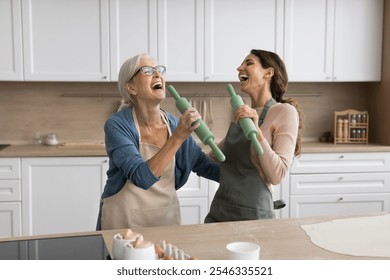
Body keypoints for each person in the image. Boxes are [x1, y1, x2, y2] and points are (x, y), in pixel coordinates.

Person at [96, 53, 219, 230]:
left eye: (159, 70)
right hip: (122, 223)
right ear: (131, 87)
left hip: (165, 220)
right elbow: (142, 178)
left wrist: (251, 174)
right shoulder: (117, 125)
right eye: (147, 70)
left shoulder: (175, 125)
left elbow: (205, 166)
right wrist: (177, 137)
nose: (157, 74)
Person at [204, 49, 302, 223]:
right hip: (220, 212)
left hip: (254, 217)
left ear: (268, 72)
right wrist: (183, 136)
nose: (239, 67)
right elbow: (210, 161)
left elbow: (277, 175)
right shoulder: (242, 114)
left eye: (248, 63)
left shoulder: (284, 112)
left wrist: (256, 131)